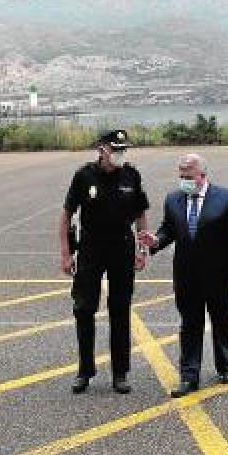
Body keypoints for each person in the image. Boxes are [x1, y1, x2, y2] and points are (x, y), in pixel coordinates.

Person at [139, 152, 228, 398]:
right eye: (181, 176)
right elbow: (168, 230)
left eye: (188, 177)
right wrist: (155, 241)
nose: (184, 181)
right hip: (187, 277)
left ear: (202, 175)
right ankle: (189, 376)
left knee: (222, 322)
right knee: (189, 325)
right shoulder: (173, 199)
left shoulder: (226, 198)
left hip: (220, 276)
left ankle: (224, 365)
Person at [60, 129, 150, 394]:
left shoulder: (131, 175)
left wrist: (142, 250)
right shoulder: (84, 176)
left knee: (120, 309)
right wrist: (66, 254)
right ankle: (85, 370)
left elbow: (140, 215)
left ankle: (120, 373)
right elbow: (66, 215)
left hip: (122, 246)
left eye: (124, 150)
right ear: (102, 150)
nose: (121, 154)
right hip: (91, 248)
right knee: (84, 308)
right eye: (116, 150)